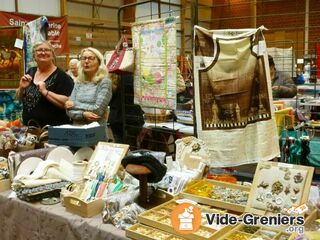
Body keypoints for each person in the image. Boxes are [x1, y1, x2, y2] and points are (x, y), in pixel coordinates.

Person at [16, 40, 74, 127]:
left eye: (47, 50)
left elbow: (68, 103)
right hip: (30, 129)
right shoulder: (31, 71)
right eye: (39, 50)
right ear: (34, 55)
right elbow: (19, 98)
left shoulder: (62, 76)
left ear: (52, 55)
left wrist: (45, 92)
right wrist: (21, 88)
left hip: (54, 130)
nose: (43, 52)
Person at [65, 47, 112, 127]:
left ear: (99, 62)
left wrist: (75, 105)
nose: (86, 61)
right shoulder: (79, 82)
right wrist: (83, 114)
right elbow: (68, 110)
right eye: (84, 58)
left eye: (91, 58)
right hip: (76, 130)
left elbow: (97, 110)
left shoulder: (104, 82)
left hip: (96, 131)